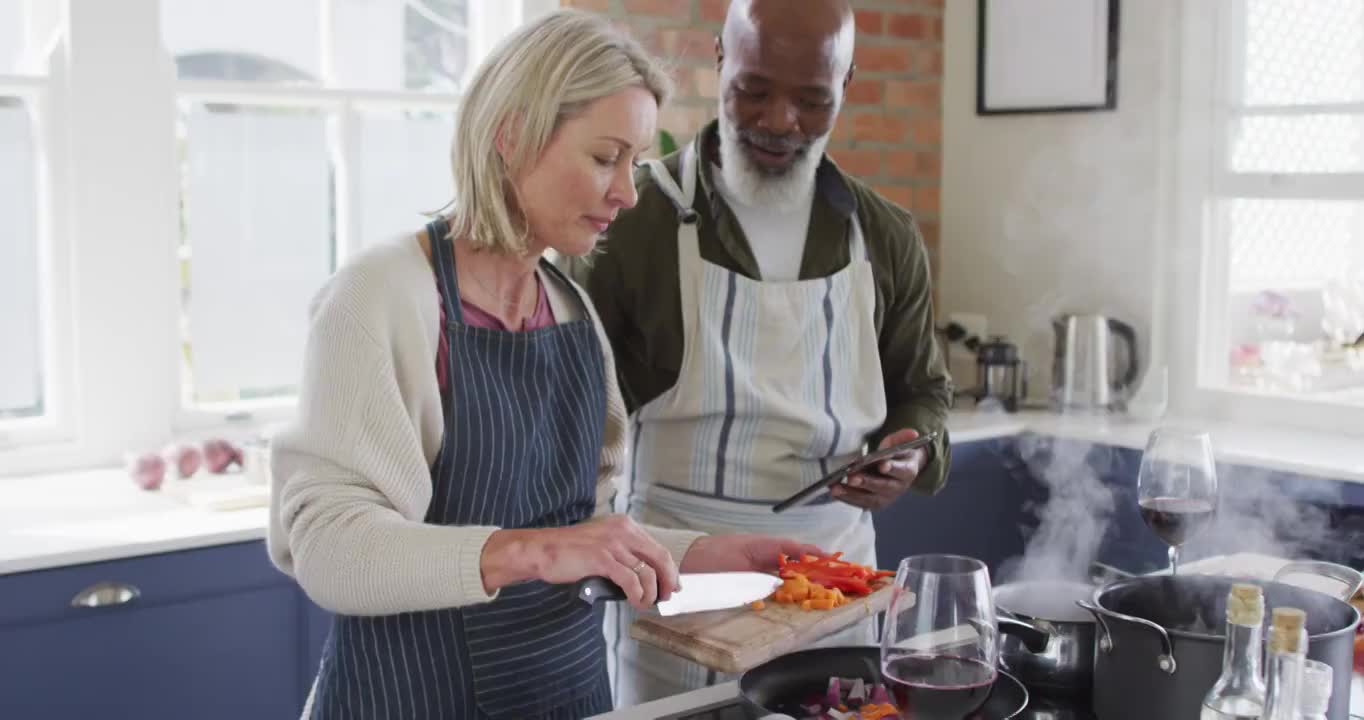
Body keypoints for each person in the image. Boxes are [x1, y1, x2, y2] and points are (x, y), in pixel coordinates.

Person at [266, 10, 822, 720]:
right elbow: (330, 551)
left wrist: (710, 553)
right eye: (604, 157)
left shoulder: (571, 310)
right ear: (513, 135)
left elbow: (579, 531)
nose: (626, 191)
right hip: (410, 696)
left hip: (565, 695)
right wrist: (532, 553)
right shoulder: (383, 295)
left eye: (635, 161)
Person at [563, 0, 955, 705]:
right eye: (754, 90)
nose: (780, 121)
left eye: (812, 100)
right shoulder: (633, 219)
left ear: (848, 84)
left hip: (835, 583)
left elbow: (924, 393)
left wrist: (913, 454)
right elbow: (565, 414)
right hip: (676, 579)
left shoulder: (887, 237)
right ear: (720, 59)